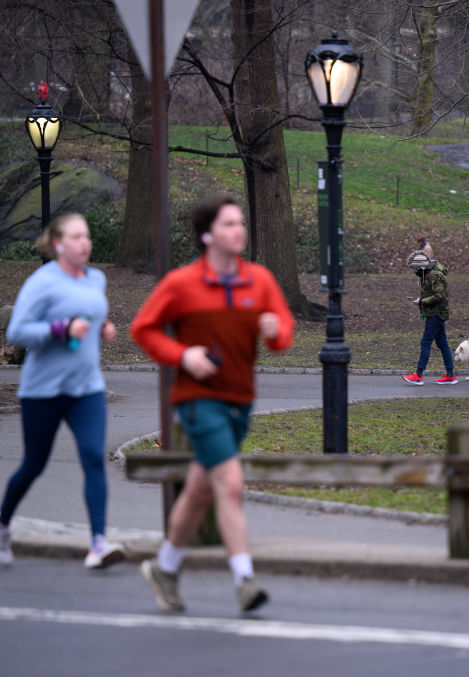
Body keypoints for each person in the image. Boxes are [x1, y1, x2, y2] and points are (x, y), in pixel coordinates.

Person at [131, 193, 295, 614]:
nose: (238, 230)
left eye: (240, 223)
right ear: (207, 235)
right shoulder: (182, 284)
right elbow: (144, 329)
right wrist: (183, 355)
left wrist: (274, 330)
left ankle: (165, 568)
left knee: (201, 489)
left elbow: (282, 338)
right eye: (228, 224)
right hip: (196, 400)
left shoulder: (258, 280)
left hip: (239, 401)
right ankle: (244, 580)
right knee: (231, 484)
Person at [0, 213, 126, 570]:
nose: (85, 243)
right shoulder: (42, 281)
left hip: (87, 389)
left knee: (94, 458)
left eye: (87, 236)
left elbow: (90, 318)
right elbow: (17, 331)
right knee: (34, 465)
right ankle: (0, 525)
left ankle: (98, 543)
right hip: (43, 391)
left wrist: (103, 328)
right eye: (76, 237)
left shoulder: (97, 279)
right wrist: (61, 330)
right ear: (58, 244)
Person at [401, 250, 456, 386]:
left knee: (426, 342)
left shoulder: (433, 275)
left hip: (436, 314)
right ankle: (450, 375)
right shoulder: (427, 274)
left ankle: (418, 375)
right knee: (442, 344)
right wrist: (422, 300)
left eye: (414, 268)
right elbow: (433, 294)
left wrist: (422, 301)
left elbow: (440, 296)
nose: (414, 271)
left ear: (421, 266)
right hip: (434, 313)